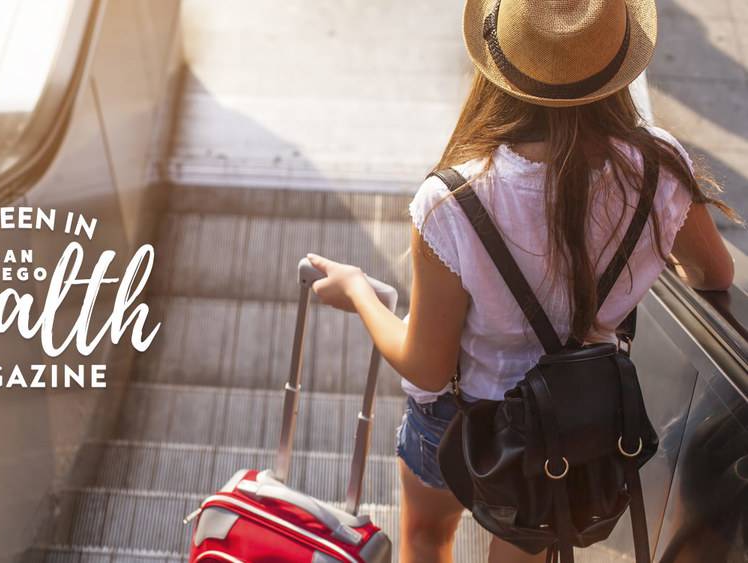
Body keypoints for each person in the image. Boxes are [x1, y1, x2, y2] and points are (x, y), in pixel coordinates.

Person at [306, 0, 740, 561]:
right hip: (571, 420)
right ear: (614, 66)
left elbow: (427, 366)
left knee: (423, 536)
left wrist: (358, 291)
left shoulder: (453, 201)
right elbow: (714, 273)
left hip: (459, 415)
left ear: (501, 66)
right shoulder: (659, 167)